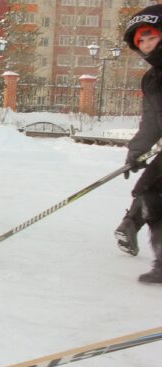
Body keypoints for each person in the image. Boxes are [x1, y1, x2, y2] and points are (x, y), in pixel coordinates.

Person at [121, 5, 162, 284]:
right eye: (140, 41)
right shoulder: (152, 77)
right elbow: (152, 121)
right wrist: (136, 152)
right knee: (149, 193)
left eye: (151, 36)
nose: (146, 45)